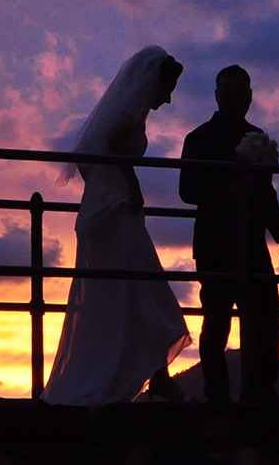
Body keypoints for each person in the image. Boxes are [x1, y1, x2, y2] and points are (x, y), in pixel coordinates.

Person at [41, 46, 191, 406]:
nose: (168, 99)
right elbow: (109, 143)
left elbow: (91, 158)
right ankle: (156, 376)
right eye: (166, 89)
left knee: (130, 293)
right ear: (154, 84)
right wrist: (130, 184)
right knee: (141, 290)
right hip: (117, 211)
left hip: (110, 209)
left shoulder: (127, 113)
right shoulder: (127, 116)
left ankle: (157, 375)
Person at [178, 64, 279, 404]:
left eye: (240, 94)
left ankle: (260, 389)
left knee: (268, 317)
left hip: (252, 241)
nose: (233, 101)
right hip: (215, 243)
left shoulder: (256, 136)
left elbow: (265, 190)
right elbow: (187, 189)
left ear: (249, 97)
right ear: (217, 97)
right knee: (216, 324)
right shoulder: (197, 139)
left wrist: (278, 229)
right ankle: (217, 396)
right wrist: (226, 189)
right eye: (227, 95)